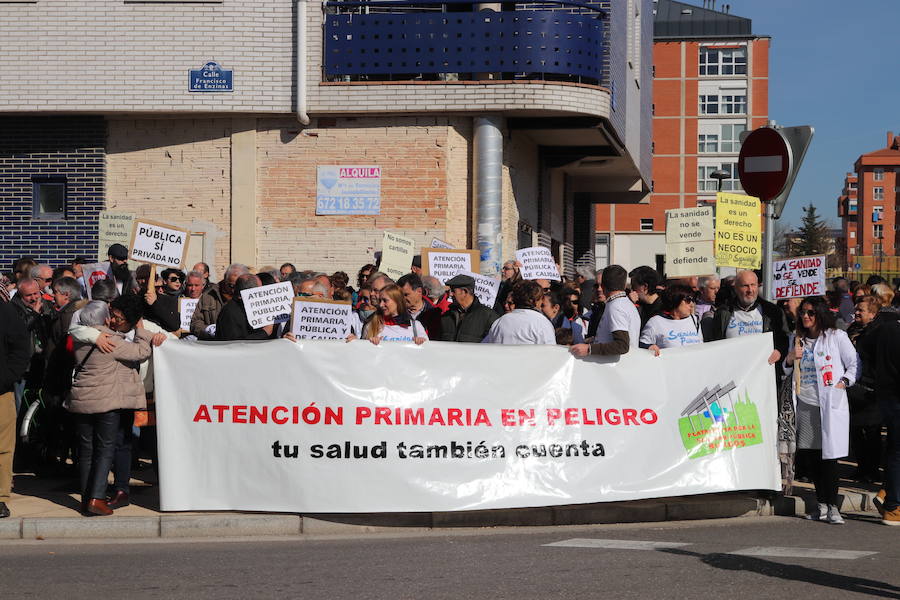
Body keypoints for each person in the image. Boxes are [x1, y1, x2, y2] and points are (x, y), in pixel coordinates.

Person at [67, 301, 153, 516]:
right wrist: (140, 327)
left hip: (82, 400)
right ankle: (97, 498)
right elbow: (142, 352)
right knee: (105, 450)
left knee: (87, 452)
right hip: (106, 402)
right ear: (105, 319)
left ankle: (87, 498)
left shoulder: (80, 338)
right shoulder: (110, 341)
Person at [783, 296, 858, 525]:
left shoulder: (836, 337)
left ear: (821, 315)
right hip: (805, 403)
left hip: (829, 404)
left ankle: (833, 505)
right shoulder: (796, 340)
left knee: (830, 457)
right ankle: (821, 504)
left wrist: (844, 381)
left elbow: (854, 363)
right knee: (813, 456)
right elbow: (787, 371)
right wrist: (789, 358)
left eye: (811, 313)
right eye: (803, 312)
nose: (805, 316)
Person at [704, 269, 788, 376]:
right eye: (745, 286)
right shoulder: (723, 313)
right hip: (733, 374)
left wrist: (779, 351)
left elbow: (784, 339)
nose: (750, 290)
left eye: (753, 285)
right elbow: (715, 343)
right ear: (736, 288)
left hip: (763, 374)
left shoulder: (772, 312)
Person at [848, 297, 884, 484]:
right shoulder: (852, 330)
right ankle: (862, 469)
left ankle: (872, 471)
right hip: (855, 388)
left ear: (872, 314)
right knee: (856, 431)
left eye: (861, 310)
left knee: (871, 433)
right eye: (856, 309)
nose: (857, 312)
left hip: (871, 391)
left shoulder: (878, 333)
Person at [570, 264, 640, 358]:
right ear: (624, 285)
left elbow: (622, 345)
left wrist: (589, 349)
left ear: (603, 286)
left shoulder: (616, 306)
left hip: (615, 369)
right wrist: (596, 340)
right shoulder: (625, 304)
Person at [871, 302, 900, 525]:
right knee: (896, 452)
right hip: (893, 397)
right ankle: (893, 506)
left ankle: (887, 495)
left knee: (894, 450)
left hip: (887, 398)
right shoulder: (890, 329)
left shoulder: (885, 328)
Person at [0, 301, 30, 518]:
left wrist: (6, 378)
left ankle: (0, 498)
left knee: (3, 448)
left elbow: (21, 347)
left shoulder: (5, 311)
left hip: (1, 392)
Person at [482, 280, 555, 345]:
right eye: (541, 298)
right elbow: (550, 354)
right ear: (536, 301)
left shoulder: (499, 322)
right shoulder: (542, 323)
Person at [640, 284, 703, 356]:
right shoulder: (656, 322)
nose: (692, 304)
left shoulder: (694, 320)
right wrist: (649, 347)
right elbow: (642, 346)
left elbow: (701, 346)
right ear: (676, 299)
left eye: (693, 300)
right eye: (688, 300)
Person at [190, 263, 249, 340]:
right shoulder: (208, 296)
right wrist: (208, 330)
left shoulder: (248, 296)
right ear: (225, 280)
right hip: (214, 345)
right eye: (231, 286)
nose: (234, 290)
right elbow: (195, 323)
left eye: (238, 286)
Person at [355, 284, 427, 344]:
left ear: (397, 301)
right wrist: (355, 341)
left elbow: (429, 352)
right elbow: (363, 354)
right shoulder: (371, 325)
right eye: (380, 301)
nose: (381, 305)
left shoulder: (416, 326)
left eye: (385, 301)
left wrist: (422, 343)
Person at [215, 274, 275, 341]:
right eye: (260, 290)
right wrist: (264, 333)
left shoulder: (248, 307)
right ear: (251, 292)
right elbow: (235, 344)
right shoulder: (230, 312)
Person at [440, 274, 498, 343]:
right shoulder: (447, 316)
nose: (450, 294)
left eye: (453, 291)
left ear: (464, 292)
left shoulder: (488, 316)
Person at [397, 273, 442, 339]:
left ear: (419, 291)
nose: (402, 298)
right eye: (400, 295)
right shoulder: (395, 313)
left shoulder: (435, 314)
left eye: (406, 294)